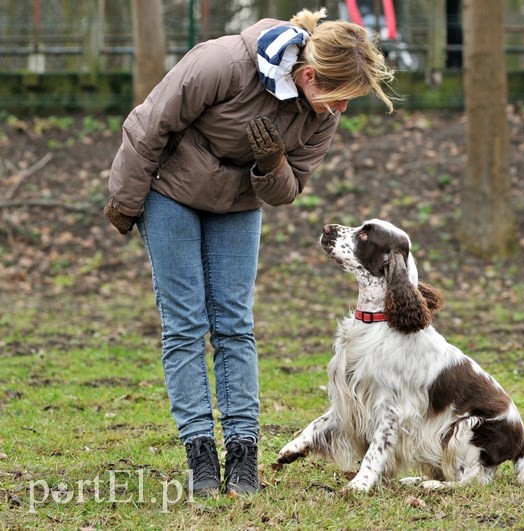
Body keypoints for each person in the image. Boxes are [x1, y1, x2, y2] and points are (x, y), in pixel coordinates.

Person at [103, 8, 394, 496]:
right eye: (339, 98)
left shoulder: (321, 116)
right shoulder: (221, 62)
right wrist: (126, 199)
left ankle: (242, 457)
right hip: (170, 193)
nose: (341, 110)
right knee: (185, 325)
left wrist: (272, 163)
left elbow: (288, 189)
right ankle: (200, 460)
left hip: (238, 204)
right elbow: (148, 125)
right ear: (308, 75)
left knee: (235, 324)